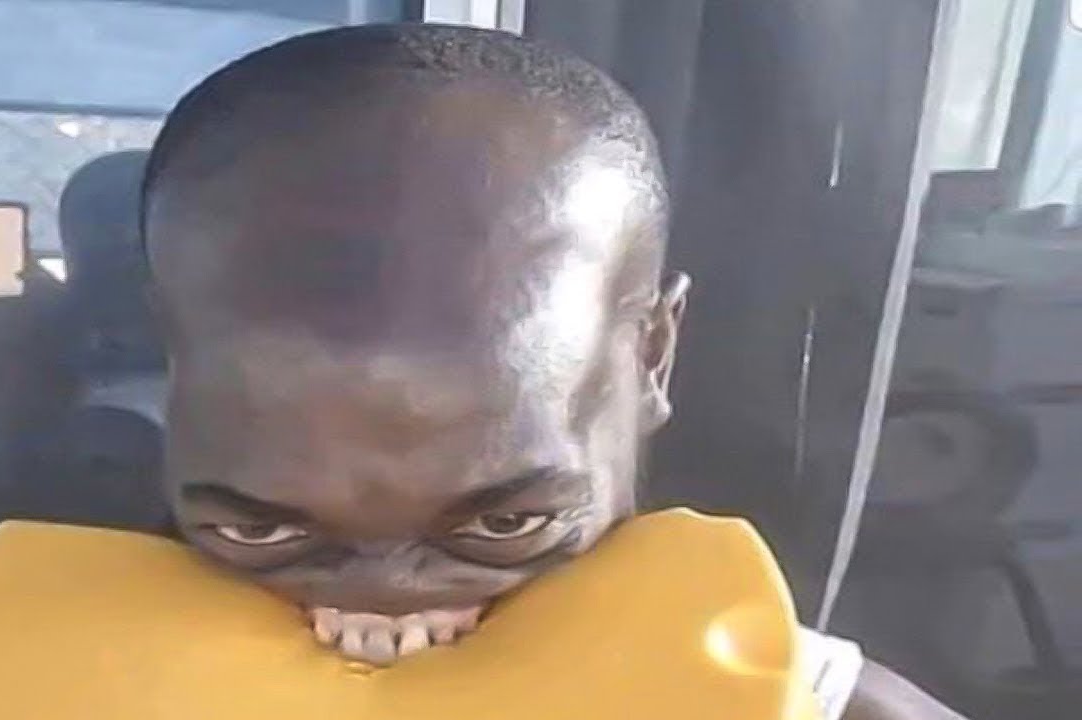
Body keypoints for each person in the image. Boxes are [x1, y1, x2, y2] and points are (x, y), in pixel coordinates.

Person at [138, 23, 967, 720]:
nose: (387, 603)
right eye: (262, 533)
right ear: (170, 370)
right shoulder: (67, 673)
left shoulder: (779, 695)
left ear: (651, 355)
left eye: (505, 525)